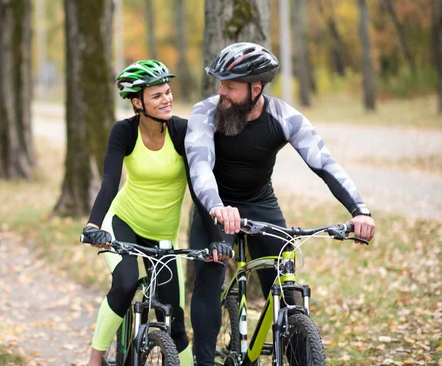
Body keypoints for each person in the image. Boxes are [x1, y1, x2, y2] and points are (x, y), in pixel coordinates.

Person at [184, 42, 377, 365]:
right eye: (220, 84)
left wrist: (360, 210)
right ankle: (203, 360)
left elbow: (324, 163)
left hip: (260, 202)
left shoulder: (283, 116)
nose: (222, 92)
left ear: (255, 89)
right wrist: (217, 207)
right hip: (215, 206)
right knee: (209, 276)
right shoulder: (205, 112)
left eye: (230, 86)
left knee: (285, 286)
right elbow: (200, 165)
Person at [81, 60, 206, 366]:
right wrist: (93, 225)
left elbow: (197, 188)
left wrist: (215, 236)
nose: (166, 99)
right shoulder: (124, 132)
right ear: (137, 103)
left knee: (175, 321)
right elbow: (110, 183)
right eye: (157, 95)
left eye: (167, 92)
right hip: (122, 222)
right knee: (125, 283)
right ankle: (94, 359)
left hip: (162, 236)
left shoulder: (181, 131)